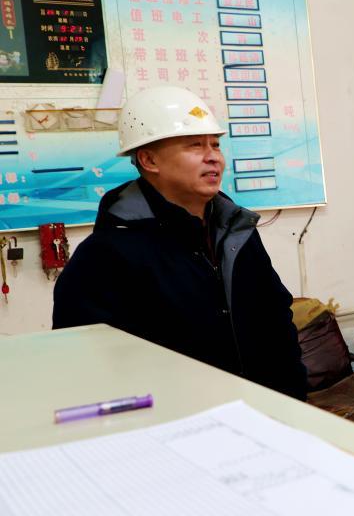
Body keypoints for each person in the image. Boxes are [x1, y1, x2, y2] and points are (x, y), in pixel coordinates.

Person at [53, 86, 306, 398]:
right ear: (149, 159)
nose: (213, 157)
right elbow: (86, 360)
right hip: (174, 418)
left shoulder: (236, 231)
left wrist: (294, 399)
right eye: (195, 146)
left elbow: (275, 316)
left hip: (263, 409)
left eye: (215, 145)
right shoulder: (105, 254)